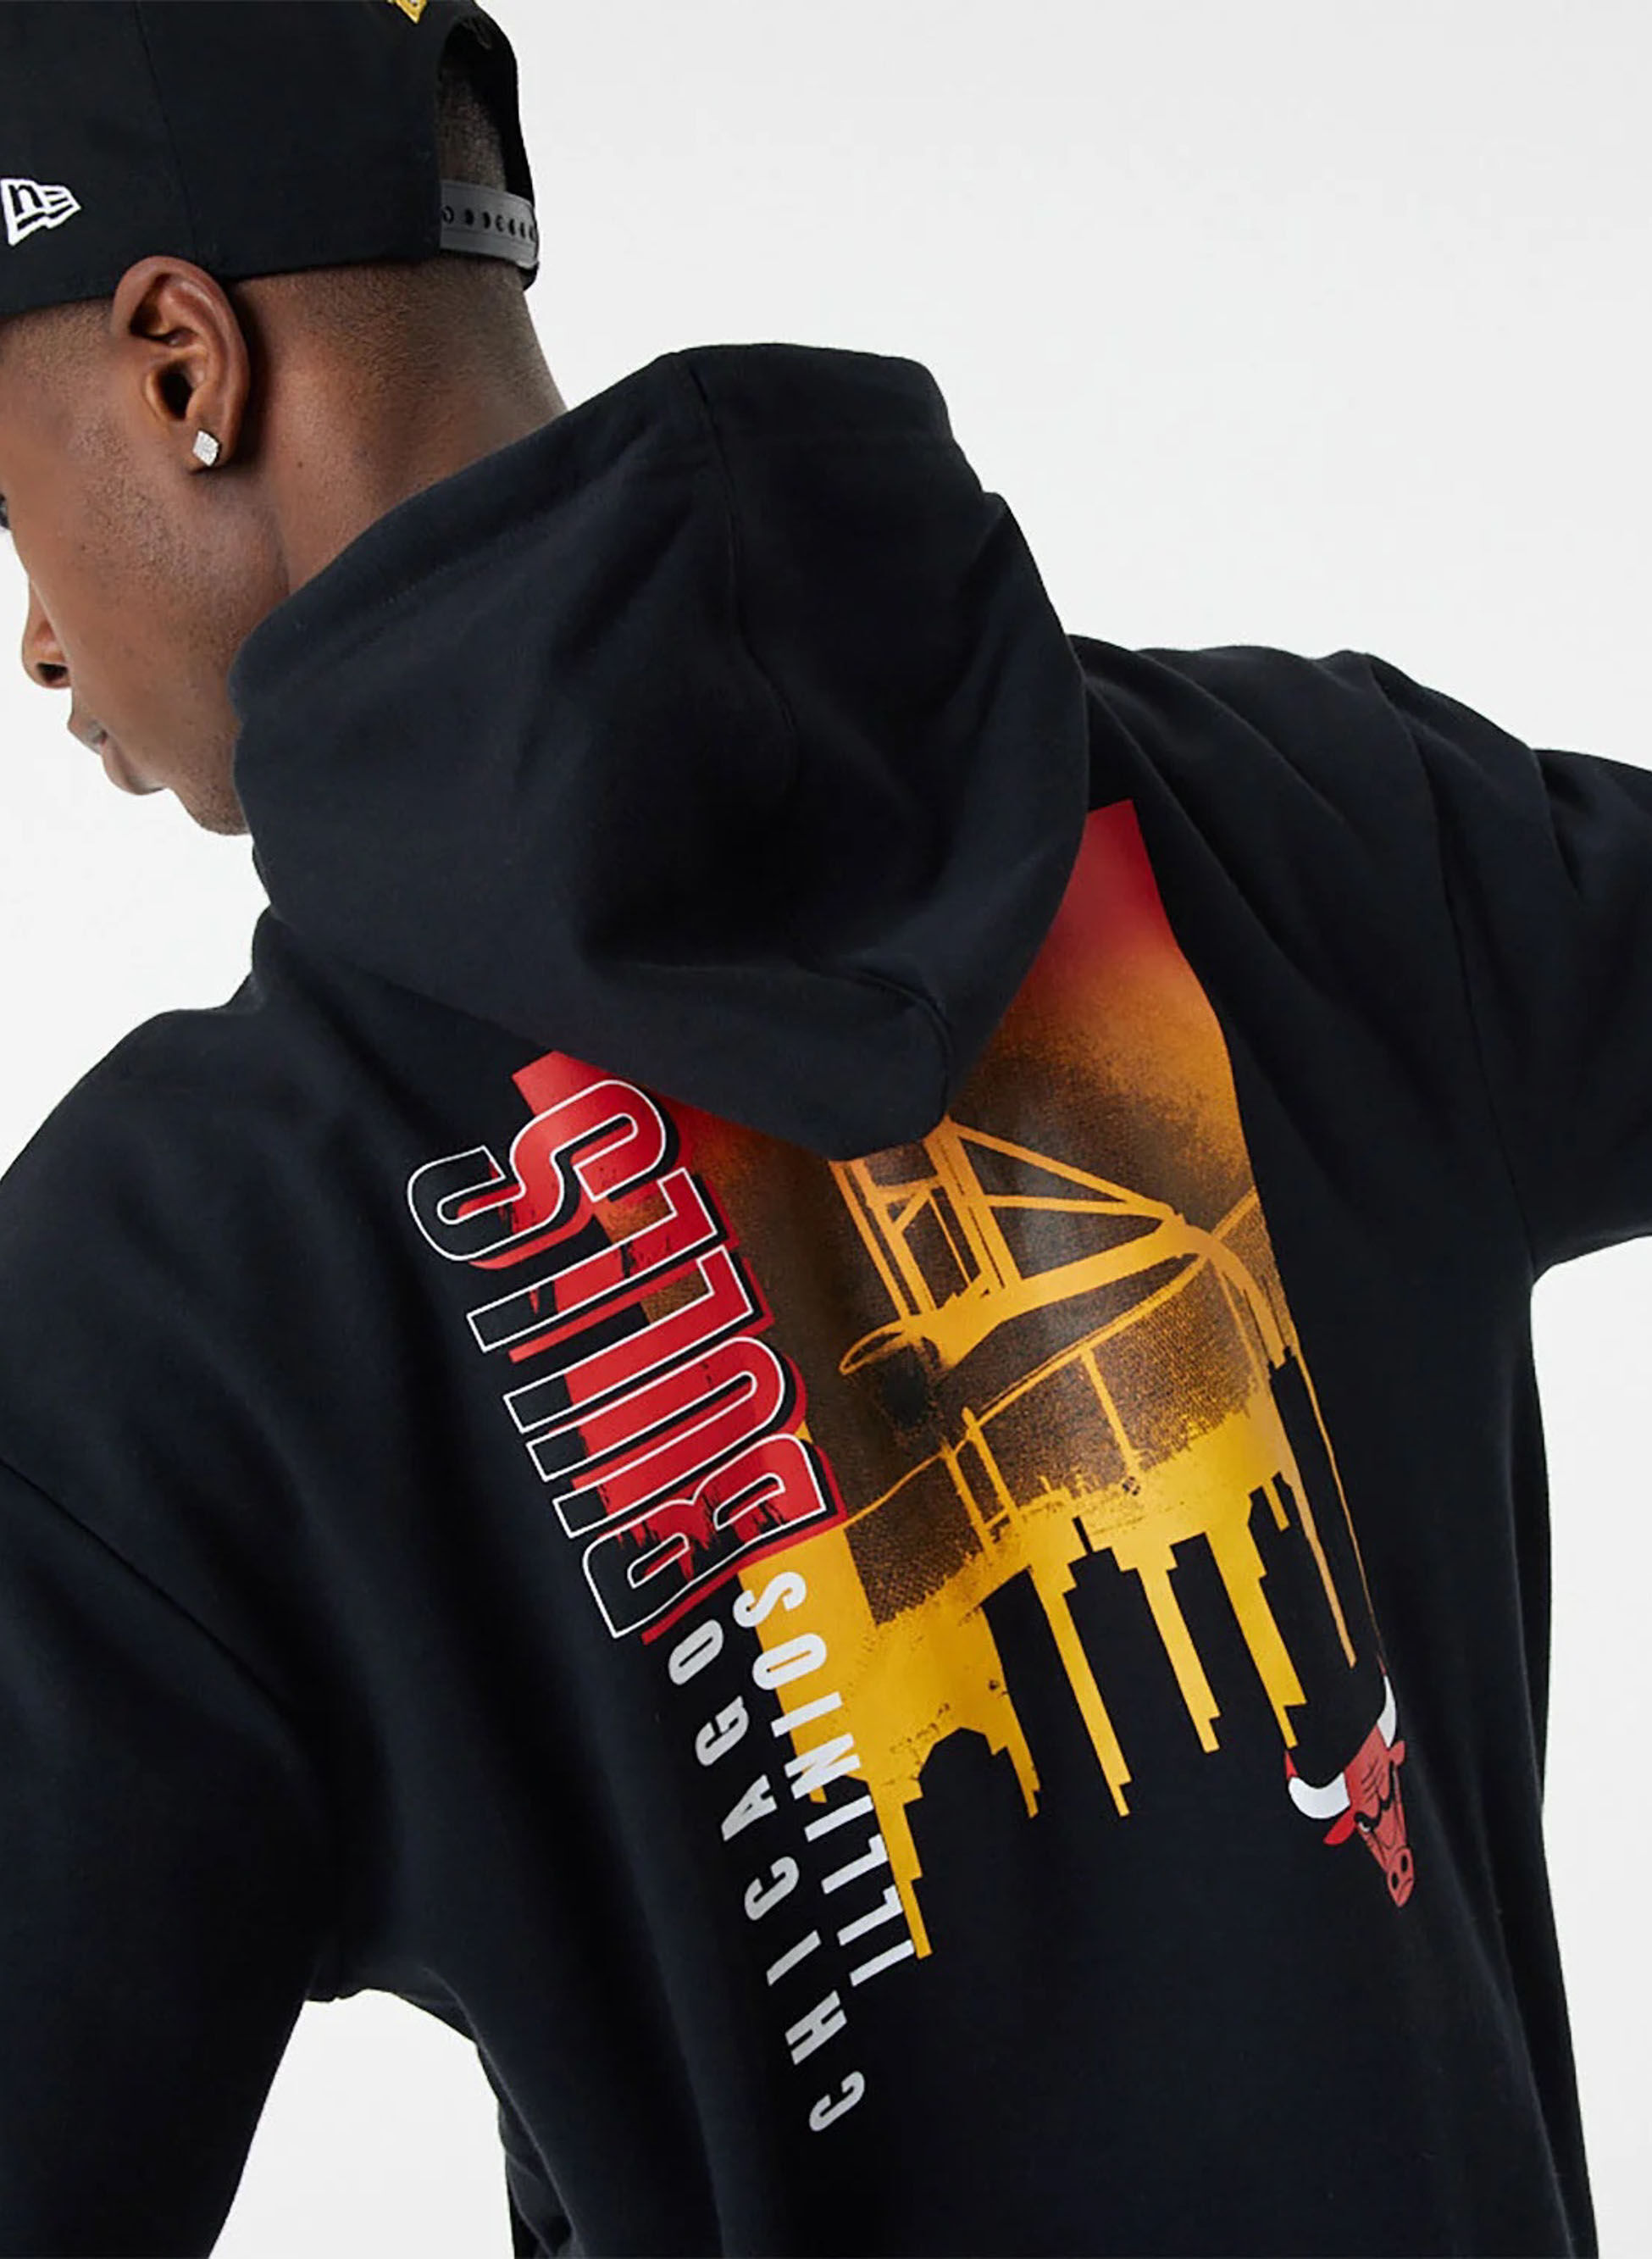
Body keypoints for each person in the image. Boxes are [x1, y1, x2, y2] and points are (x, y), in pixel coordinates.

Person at [0, 3, 1637, 2253]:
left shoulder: (173, 1300)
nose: (34, 635)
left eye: (2, 499)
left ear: (182, 364)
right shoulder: (1318, 832)